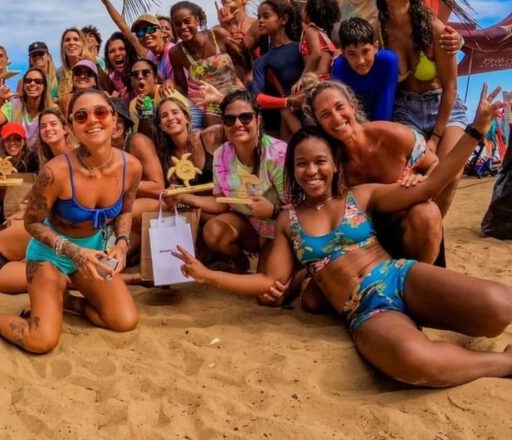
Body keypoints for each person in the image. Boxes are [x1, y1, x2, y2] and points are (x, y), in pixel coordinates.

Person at [175, 87, 512, 387]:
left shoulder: (361, 196)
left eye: (320, 161)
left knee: (500, 308)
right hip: (364, 308)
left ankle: (436, 317)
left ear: (335, 165)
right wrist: (209, 277)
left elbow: (432, 183)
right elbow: (268, 280)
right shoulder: (287, 221)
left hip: (399, 275)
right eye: (302, 164)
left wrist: (475, 129)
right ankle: (503, 363)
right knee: (413, 361)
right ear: (292, 170)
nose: (312, 170)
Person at [0, 89, 142, 352]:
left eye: (100, 112)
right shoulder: (56, 172)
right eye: (81, 116)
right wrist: (75, 252)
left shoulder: (131, 167)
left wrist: (121, 243)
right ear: (71, 126)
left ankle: (68, 302)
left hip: (92, 252)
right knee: (40, 340)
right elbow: (32, 223)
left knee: (124, 321)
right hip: (50, 255)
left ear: (114, 119)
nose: (92, 120)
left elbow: (126, 211)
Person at [307, 81, 444, 264]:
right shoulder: (329, 161)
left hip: (410, 228)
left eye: (340, 107)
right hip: (364, 240)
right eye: (325, 115)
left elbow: (435, 163)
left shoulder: (392, 135)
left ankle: (422, 279)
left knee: (427, 212)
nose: (336, 118)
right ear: (318, 123)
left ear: (352, 105)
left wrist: (422, 179)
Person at [377, 0, 465, 217]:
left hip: (444, 106)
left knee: (451, 174)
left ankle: (434, 233)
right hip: (405, 109)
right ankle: (422, 230)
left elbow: (450, 87)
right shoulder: (379, 33)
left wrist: (436, 137)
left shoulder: (435, 29)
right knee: (411, 175)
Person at [170, 91, 287, 273]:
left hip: (280, 230)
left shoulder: (278, 155)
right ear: (223, 124)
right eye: (230, 120)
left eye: (245, 117)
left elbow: (299, 209)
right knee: (213, 231)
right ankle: (241, 263)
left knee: (270, 296)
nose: (238, 124)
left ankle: (297, 268)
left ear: (258, 120)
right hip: (249, 226)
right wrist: (185, 197)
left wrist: (272, 211)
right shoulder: (221, 154)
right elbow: (221, 202)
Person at [168, 0, 242, 125]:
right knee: (213, 132)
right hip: (208, 102)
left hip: (234, 93)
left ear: (197, 20)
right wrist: (169, 87)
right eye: (177, 24)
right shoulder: (176, 52)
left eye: (187, 21)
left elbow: (242, 61)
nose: (183, 27)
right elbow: (182, 86)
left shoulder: (217, 35)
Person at [251, 0, 306, 137]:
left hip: (312, 108)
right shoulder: (262, 61)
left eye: (266, 16)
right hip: (288, 119)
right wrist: (288, 101)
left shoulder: (301, 47)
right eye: (259, 17)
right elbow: (257, 98)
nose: (260, 21)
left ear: (283, 19)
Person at [331, 18, 399, 122]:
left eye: (365, 51)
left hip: (387, 121)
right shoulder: (339, 67)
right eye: (352, 54)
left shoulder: (388, 61)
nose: (360, 61)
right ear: (343, 52)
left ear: (375, 47)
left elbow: (385, 106)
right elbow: (345, 112)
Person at [0, 67, 53, 147]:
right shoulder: (14, 105)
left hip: (42, 155)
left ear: (44, 86)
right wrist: (0, 100)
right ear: (23, 85)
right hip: (17, 153)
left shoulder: (52, 109)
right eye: (28, 81)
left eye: (38, 81)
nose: (32, 84)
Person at [126, 58, 187, 131]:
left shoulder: (167, 93)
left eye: (146, 73)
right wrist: (145, 111)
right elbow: (143, 138)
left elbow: (189, 120)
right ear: (132, 82)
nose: (140, 76)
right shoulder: (133, 104)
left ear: (155, 78)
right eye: (135, 74)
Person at [299, 0, 341, 81]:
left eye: (305, 7)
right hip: (328, 77)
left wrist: (302, 78)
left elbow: (316, 54)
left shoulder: (310, 30)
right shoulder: (323, 34)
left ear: (309, 12)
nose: (302, 10)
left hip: (318, 78)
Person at [103, 32, 139, 100]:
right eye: (112, 51)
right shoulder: (112, 79)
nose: (117, 54)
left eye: (121, 49)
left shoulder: (139, 73)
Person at [56, 28, 89, 98]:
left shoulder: (93, 66)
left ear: (82, 44)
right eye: (67, 40)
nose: (71, 43)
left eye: (76, 39)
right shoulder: (58, 73)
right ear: (63, 46)